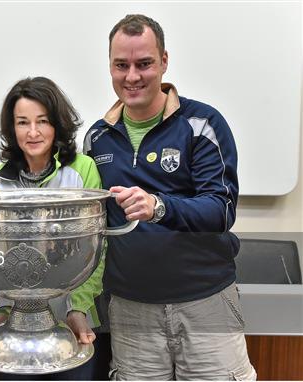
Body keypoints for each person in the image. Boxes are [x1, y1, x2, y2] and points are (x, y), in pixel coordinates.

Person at [84, 14, 257, 380]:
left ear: (164, 61)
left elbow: (221, 209)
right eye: (121, 65)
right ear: (110, 67)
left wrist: (159, 206)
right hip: (131, 308)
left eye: (144, 64)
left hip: (205, 301)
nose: (132, 76)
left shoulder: (203, 124)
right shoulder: (96, 137)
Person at [0, 76, 104, 380]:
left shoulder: (83, 170)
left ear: (57, 125)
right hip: (13, 328)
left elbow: (96, 250)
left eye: (43, 122)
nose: (32, 132)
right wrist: (1, 309)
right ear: (12, 128)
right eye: (22, 122)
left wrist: (79, 309)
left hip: (71, 323)